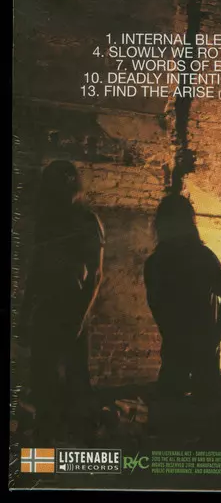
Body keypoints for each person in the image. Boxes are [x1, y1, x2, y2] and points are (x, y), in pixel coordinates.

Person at [18, 160, 105, 445]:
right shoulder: (48, 223)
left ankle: (81, 450)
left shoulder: (87, 221)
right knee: (44, 384)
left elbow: (96, 275)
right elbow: (36, 270)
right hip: (47, 311)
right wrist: (25, 313)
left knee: (75, 383)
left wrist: (79, 319)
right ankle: (46, 451)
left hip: (71, 310)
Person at [144, 194, 221, 404]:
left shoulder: (155, 263)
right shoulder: (202, 257)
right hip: (203, 347)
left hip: (175, 346)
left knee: (169, 407)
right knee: (205, 409)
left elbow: (156, 306)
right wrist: (213, 340)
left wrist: (171, 334)